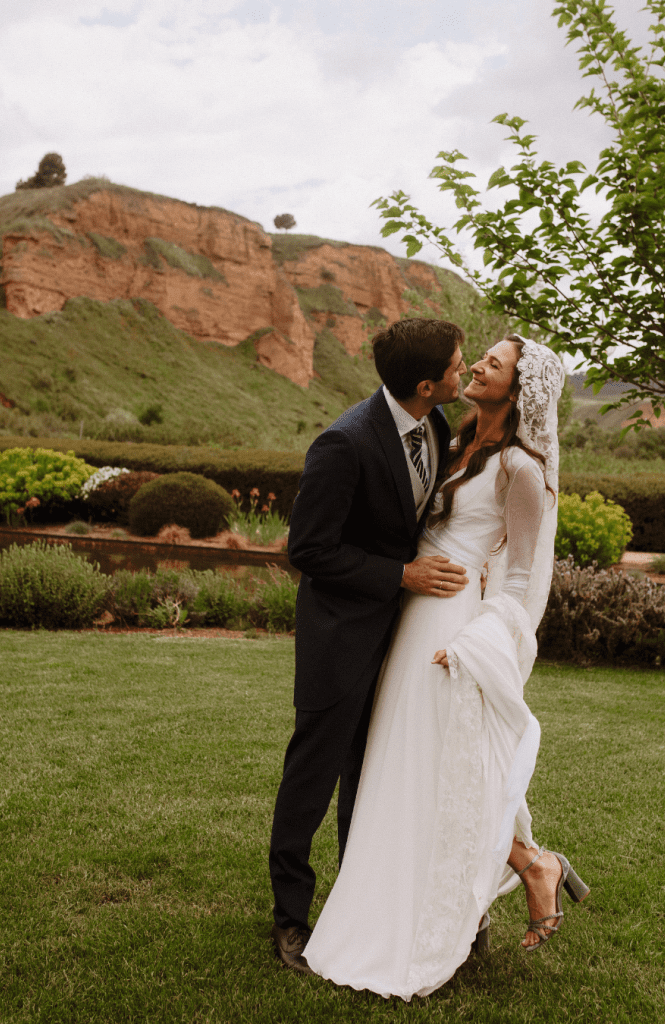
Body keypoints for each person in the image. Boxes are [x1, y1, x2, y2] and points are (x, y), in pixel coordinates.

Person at [303, 335, 589, 1000]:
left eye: (492, 364)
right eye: (478, 358)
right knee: (408, 762)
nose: (477, 366)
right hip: (413, 610)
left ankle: (515, 873)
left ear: (517, 390)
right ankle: (531, 864)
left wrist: (482, 642)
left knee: (444, 763)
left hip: (454, 625)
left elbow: (522, 574)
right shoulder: (456, 438)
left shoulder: (522, 467)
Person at [269, 317, 471, 973]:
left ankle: (362, 908)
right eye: (456, 365)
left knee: (375, 774)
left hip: (403, 636)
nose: (462, 372)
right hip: (339, 637)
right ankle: (291, 918)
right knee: (314, 776)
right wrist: (399, 576)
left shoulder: (434, 427)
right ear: (425, 383)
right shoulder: (343, 443)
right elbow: (307, 550)